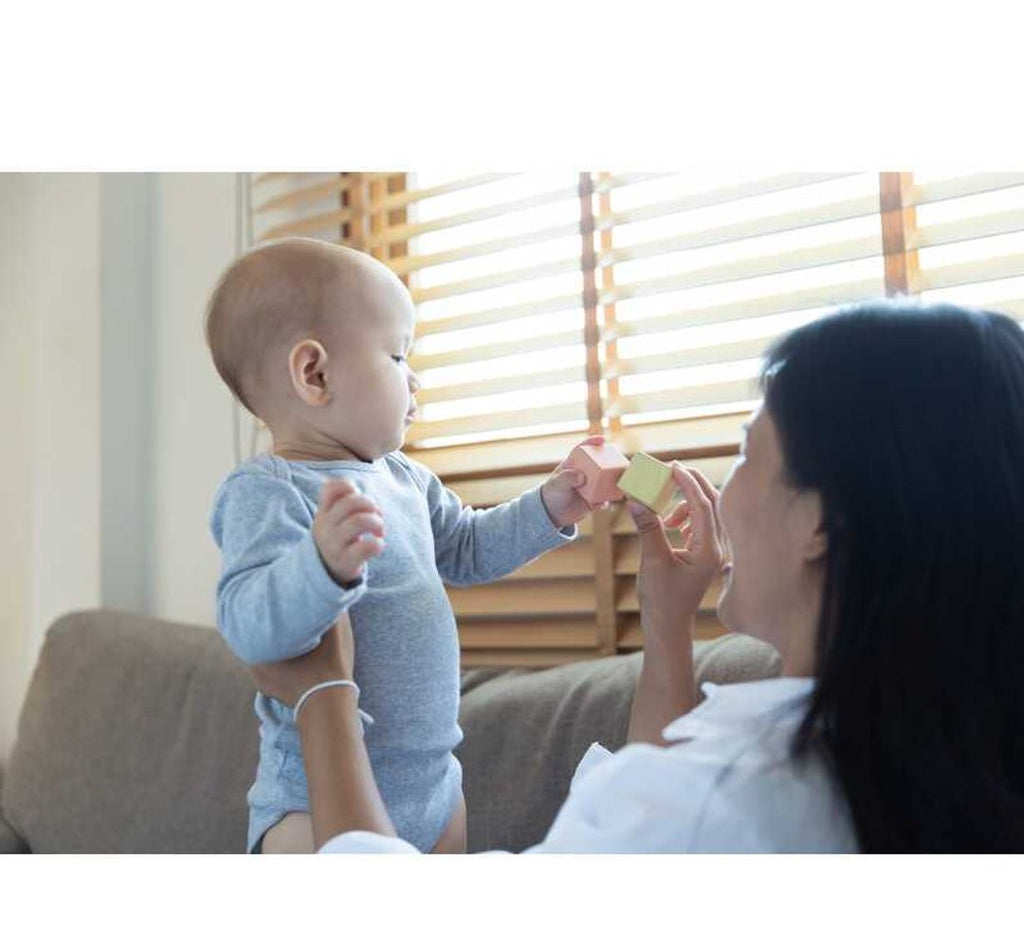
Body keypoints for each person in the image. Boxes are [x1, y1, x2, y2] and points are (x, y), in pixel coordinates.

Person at [252, 299, 1024, 853]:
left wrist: (324, 694)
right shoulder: (907, 761)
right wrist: (666, 623)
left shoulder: (723, 804)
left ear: (820, 521)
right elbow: (670, 792)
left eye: (748, 452)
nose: (724, 484)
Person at [205, 238, 603, 854]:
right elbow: (249, 626)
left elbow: (469, 547)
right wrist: (322, 569)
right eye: (396, 354)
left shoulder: (405, 478)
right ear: (315, 375)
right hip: (311, 798)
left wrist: (550, 505)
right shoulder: (268, 491)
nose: (414, 378)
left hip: (436, 786)